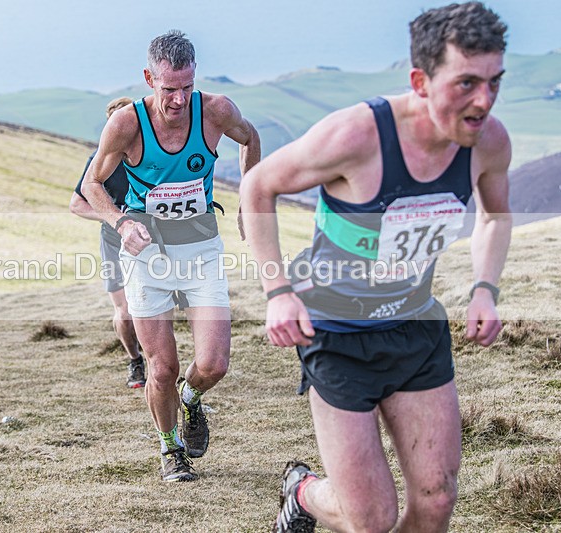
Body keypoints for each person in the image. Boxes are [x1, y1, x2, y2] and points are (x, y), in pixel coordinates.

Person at [240, 3, 511, 531]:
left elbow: (497, 218)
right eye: (467, 84)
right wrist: (278, 291)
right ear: (421, 80)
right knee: (371, 518)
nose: (484, 102)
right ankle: (302, 492)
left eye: (495, 82)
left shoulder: (489, 141)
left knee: (435, 502)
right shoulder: (356, 136)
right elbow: (258, 185)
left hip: (416, 328)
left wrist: (485, 289)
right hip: (337, 336)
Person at [82, 30, 260, 482]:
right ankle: (169, 448)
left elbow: (249, 137)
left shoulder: (215, 110)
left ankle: (193, 400)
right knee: (162, 367)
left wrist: (249, 200)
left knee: (214, 364)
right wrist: (122, 222)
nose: (178, 100)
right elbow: (91, 186)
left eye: (185, 87)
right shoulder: (126, 124)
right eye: (168, 89)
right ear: (149, 78)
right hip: (147, 256)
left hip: (201, 248)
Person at [70, 96, 146, 389]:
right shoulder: (99, 161)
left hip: (152, 239)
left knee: (153, 306)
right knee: (125, 312)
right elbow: (76, 204)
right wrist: (113, 218)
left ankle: (161, 365)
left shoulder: (150, 154)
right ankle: (135, 360)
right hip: (115, 240)